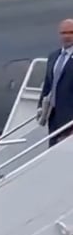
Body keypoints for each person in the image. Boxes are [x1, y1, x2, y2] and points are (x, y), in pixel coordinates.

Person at [38, 19, 73, 147]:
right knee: (53, 152)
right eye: (64, 33)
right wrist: (40, 107)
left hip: (70, 119)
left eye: (71, 32)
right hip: (54, 116)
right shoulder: (54, 56)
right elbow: (48, 84)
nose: (67, 36)